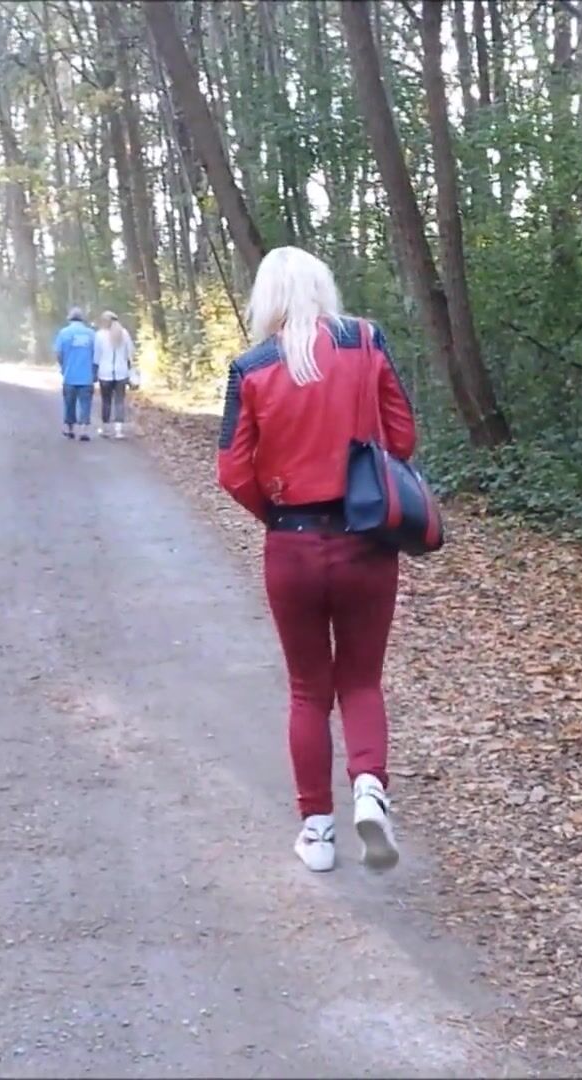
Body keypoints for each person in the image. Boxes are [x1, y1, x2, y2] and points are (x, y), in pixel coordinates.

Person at [215, 246, 418, 874]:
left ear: (266, 299)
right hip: (366, 540)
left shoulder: (249, 368)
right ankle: (370, 790)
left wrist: (277, 515)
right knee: (361, 680)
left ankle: (318, 832)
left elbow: (231, 472)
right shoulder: (367, 341)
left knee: (308, 690)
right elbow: (403, 437)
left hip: (292, 546)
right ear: (322, 287)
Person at [53, 307, 98, 440]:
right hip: (86, 376)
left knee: (69, 403)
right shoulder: (91, 334)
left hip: (70, 375)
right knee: (85, 404)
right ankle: (84, 431)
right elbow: (96, 354)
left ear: (70, 319)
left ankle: (69, 429)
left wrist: (63, 365)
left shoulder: (64, 333)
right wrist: (94, 370)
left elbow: (58, 353)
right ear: (82, 319)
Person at [93, 311, 137, 439]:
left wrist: (95, 369)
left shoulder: (100, 335)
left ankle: (105, 428)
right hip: (121, 372)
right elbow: (130, 352)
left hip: (105, 372)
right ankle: (119, 430)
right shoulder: (124, 333)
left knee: (106, 401)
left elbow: (96, 356)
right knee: (119, 401)